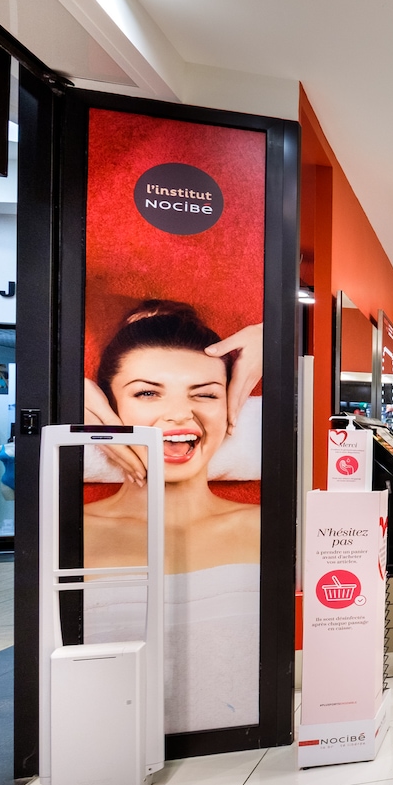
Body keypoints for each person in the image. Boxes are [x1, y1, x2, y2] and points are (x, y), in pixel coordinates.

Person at [81, 299, 264, 733]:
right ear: (106, 408)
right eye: (147, 392)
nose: (181, 413)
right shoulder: (69, 532)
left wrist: (274, 336)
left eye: (205, 394)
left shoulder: (269, 526)